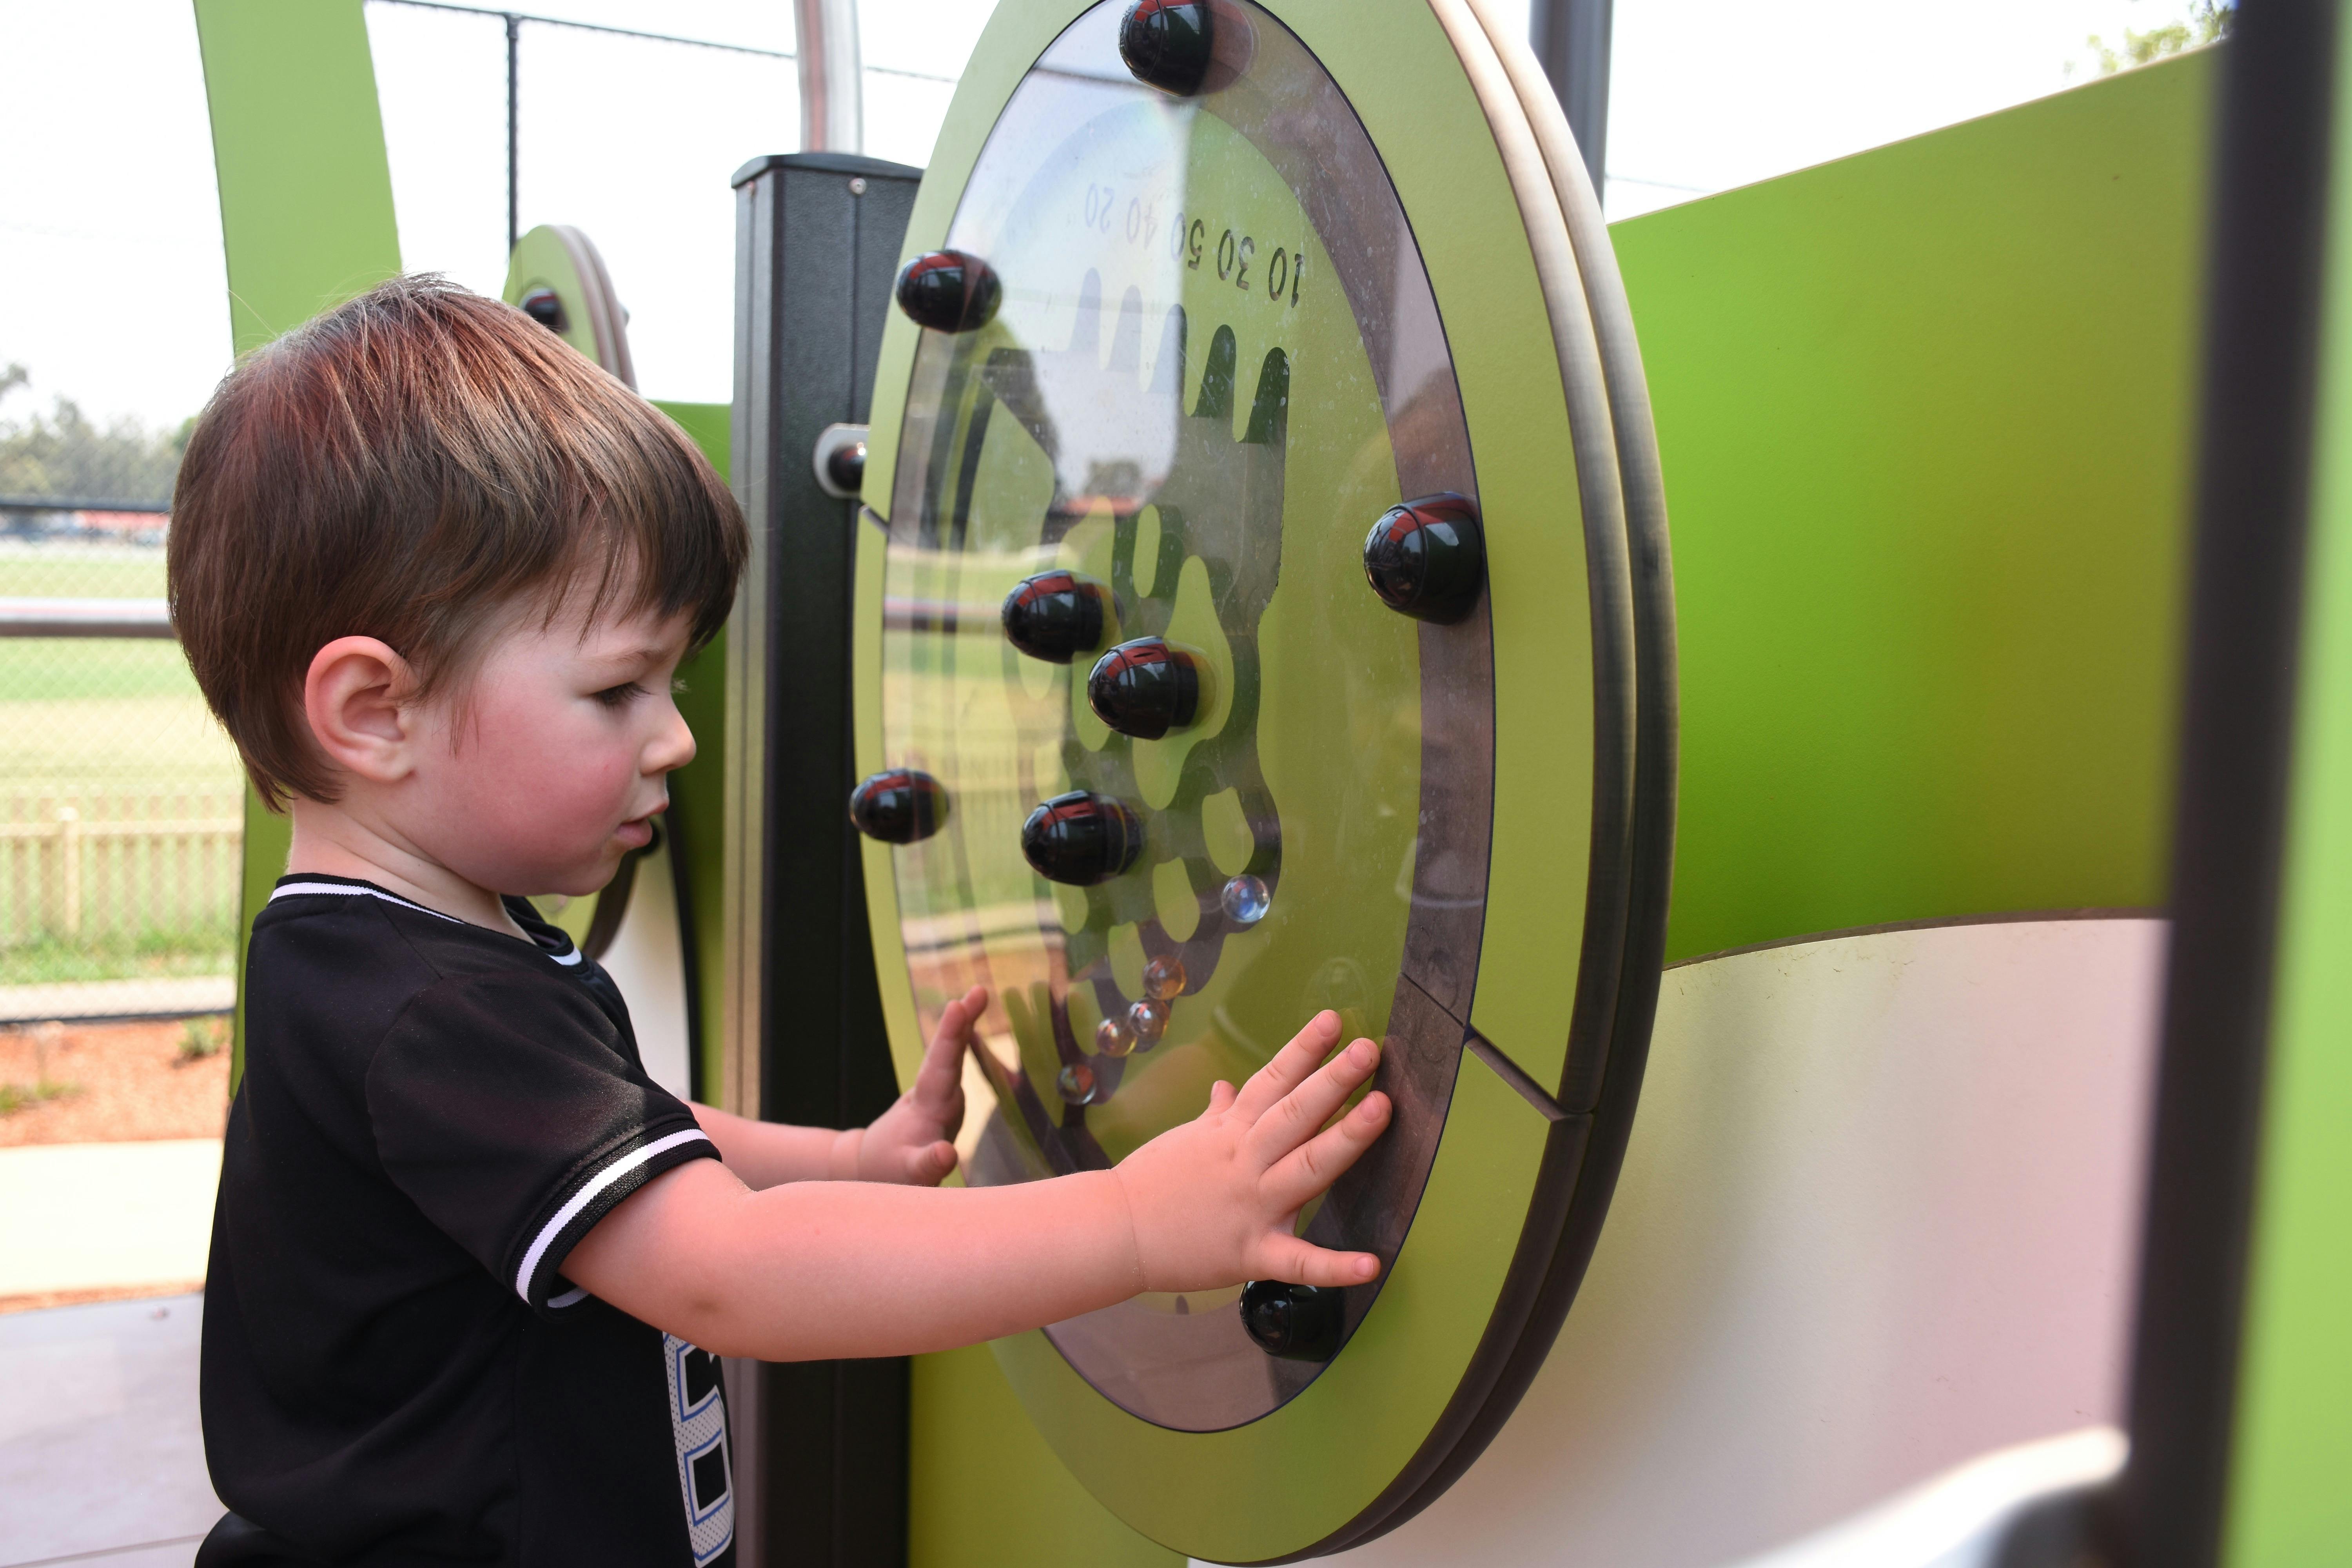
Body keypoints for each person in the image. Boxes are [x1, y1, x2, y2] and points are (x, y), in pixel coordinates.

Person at [166, 275, 1392, 1567]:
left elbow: (620, 1138)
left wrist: (850, 1159)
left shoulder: (386, 952)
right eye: (618, 689)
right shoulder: (425, 1007)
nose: (677, 739)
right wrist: (1138, 1225)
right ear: (373, 710)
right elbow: (728, 1271)